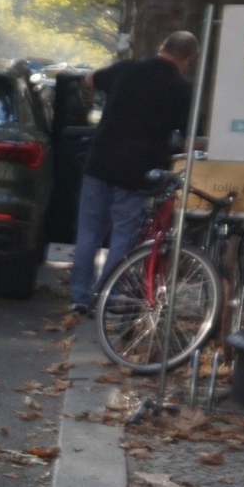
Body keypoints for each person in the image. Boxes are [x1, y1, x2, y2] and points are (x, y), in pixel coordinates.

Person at [69, 29, 199, 314]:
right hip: (139, 171)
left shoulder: (126, 69)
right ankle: (104, 296)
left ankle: (79, 296)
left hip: (100, 162)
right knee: (123, 235)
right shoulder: (180, 88)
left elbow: (90, 78)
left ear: (161, 45)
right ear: (187, 59)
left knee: (89, 232)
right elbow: (185, 134)